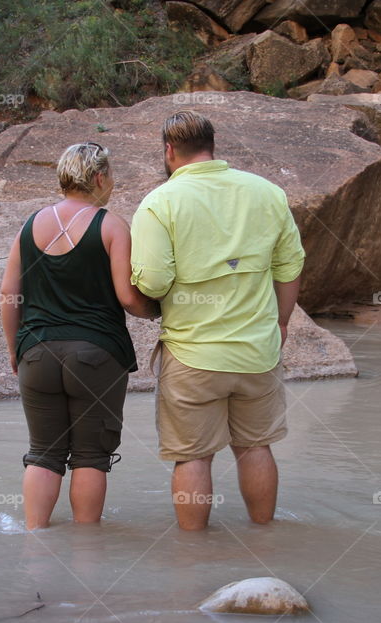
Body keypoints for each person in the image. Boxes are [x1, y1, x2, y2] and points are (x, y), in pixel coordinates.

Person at [130, 111, 306, 531]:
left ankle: (194, 556)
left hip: (192, 355)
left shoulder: (160, 203)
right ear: (212, 145)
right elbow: (290, 267)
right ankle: (265, 540)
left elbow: (153, 282)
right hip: (257, 352)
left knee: (193, 455)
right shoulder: (267, 193)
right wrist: (280, 323)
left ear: (169, 151)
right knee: (255, 447)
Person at [0, 142, 159, 530]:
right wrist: (159, 311)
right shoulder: (111, 225)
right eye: (112, 177)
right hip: (96, 355)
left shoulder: (30, 225)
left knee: (43, 453)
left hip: (36, 353)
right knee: (90, 456)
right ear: (100, 177)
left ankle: (34, 541)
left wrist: (15, 349)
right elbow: (128, 298)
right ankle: (86, 549)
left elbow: (9, 294)